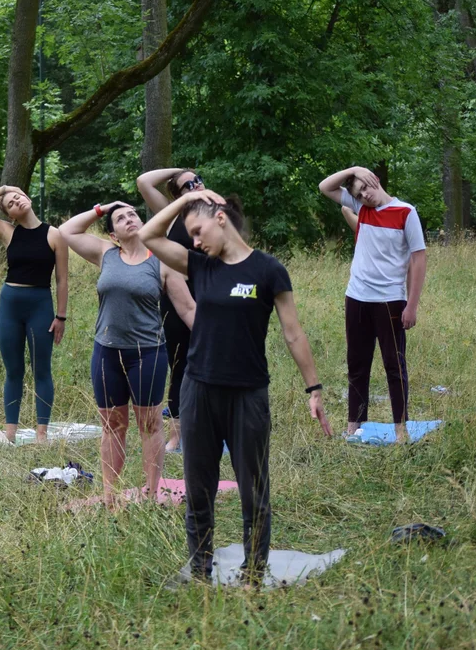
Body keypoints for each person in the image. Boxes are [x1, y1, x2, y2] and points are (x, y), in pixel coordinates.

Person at [141, 189, 332, 586]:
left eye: (198, 230)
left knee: (253, 489)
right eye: (191, 235)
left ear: (221, 218)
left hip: (247, 394)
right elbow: (149, 237)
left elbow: (293, 334)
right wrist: (186, 202)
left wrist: (313, 388)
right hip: (198, 391)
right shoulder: (199, 265)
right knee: (199, 488)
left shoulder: (268, 270)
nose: (194, 241)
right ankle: (199, 572)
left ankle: (253, 574)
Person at [60, 202, 194, 508]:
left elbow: (187, 308)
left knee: (149, 424)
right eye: (121, 218)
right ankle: (110, 494)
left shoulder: (161, 261)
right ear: (113, 234)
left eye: (133, 214)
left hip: (147, 354)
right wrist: (99, 209)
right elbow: (67, 231)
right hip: (106, 352)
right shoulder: (105, 254)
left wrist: (214, 342)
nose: (129, 218)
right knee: (112, 425)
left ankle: (151, 491)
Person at [318, 166, 427, 442]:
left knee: (394, 364)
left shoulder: (406, 212)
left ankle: (401, 428)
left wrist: (411, 306)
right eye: (358, 193)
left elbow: (418, 259)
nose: (364, 195)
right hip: (356, 297)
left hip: (390, 300)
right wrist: (354, 170)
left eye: (366, 187)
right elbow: (325, 187)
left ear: (376, 180)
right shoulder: (360, 207)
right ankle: (355, 425)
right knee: (357, 363)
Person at [0, 185, 68, 444]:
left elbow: (62, 280)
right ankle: (10, 433)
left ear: (28, 198)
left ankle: (41, 434)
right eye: (10, 204)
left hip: (41, 305)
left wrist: (61, 316)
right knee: (13, 370)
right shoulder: (8, 232)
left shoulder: (54, 234)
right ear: (10, 215)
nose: (16, 202)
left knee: (41, 370)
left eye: (18, 197)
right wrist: (4, 188)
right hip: (10, 304)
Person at [136, 167, 206, 454]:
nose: (196, 185)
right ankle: (177, 438)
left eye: (198, 180)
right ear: (177, 195)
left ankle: (210, 428)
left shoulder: (218, 215)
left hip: (211, 295)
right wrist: (179, 171)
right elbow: (143, 181)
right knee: (180, 367)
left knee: (212, 362)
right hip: (178, 298)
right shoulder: (171, 214)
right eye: (187, 185)